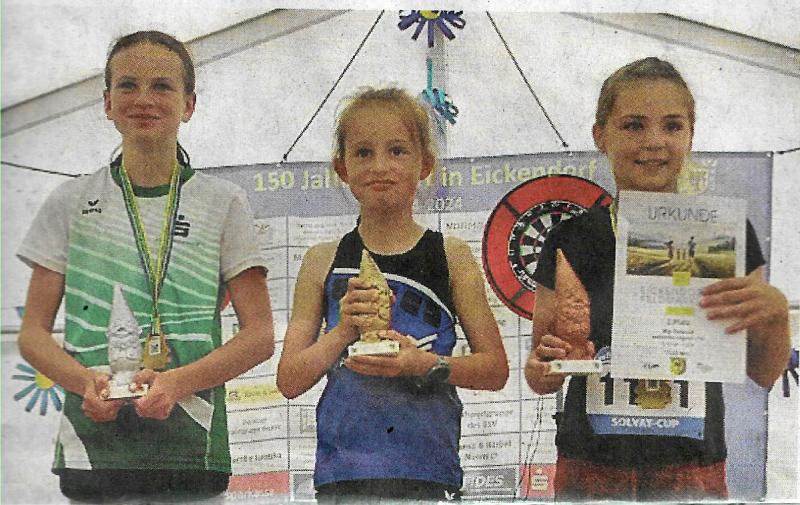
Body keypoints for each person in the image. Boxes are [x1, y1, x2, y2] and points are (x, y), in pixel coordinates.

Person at [17, 30, 275, 501]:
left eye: (162, 86)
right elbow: (33, 333)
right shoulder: (70, 201)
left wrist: (176, 384)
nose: (144, 99)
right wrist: (83, 382)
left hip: (190, 455)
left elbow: (259, 336)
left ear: (188, 104)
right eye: (128, 85)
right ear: (107, 103)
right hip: (92, 453)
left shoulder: (224, 202)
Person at [523, 57, 790, 501]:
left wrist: (776, 314)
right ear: (600, 135)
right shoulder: (570, 238)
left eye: (672, 126)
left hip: (692, 465)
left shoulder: (722, 236)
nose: (654, 141)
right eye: (633, 125)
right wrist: (543, 368)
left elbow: (762, 371)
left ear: (690, 135)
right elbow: (542, 369)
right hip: (590, 464)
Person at [276, 86, 509, 502]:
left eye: (397, 151)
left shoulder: (450, 255)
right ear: (342, 167)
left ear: (425, 164)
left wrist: (424, 364)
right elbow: (289, 380)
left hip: (426, 472)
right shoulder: (322, 260)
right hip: (343, 476)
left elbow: (495, 370)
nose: (380, 166)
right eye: (363, 152)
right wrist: (343, 330)